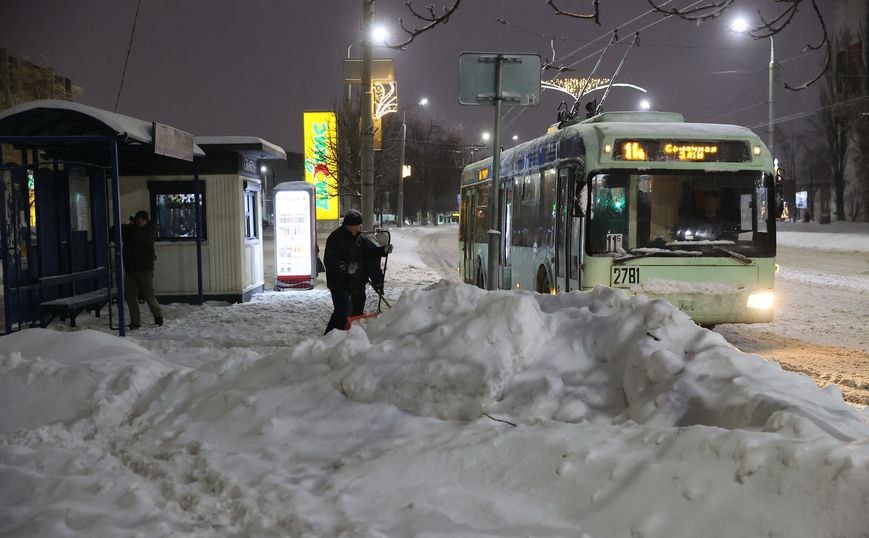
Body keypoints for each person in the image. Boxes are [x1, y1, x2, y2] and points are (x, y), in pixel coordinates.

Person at [323, 210, 392, 334]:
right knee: (341, 311)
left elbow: (368, 254)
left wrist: (382, 251)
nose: (357, 228)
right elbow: (330, 260)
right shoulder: (335, 238)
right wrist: (345, 267)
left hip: (357, 282)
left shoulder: (360, 238)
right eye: (354, 226)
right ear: (347, 225)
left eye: (358, 226)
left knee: (357, 314)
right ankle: (329, 336)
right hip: (339, 282)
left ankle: (351, 336)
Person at [122, 210, 163, 330]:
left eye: (142, 219)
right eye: (138, 218)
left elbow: (140, 239)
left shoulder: (149, 231)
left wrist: (130, 227)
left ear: (146, 220)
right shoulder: (131, 230)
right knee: (131, 297)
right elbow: (113, 233)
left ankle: (158, 316)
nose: (140, 221)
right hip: (130, 269)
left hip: (144, 270)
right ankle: (135, 321)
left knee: (149, 295)